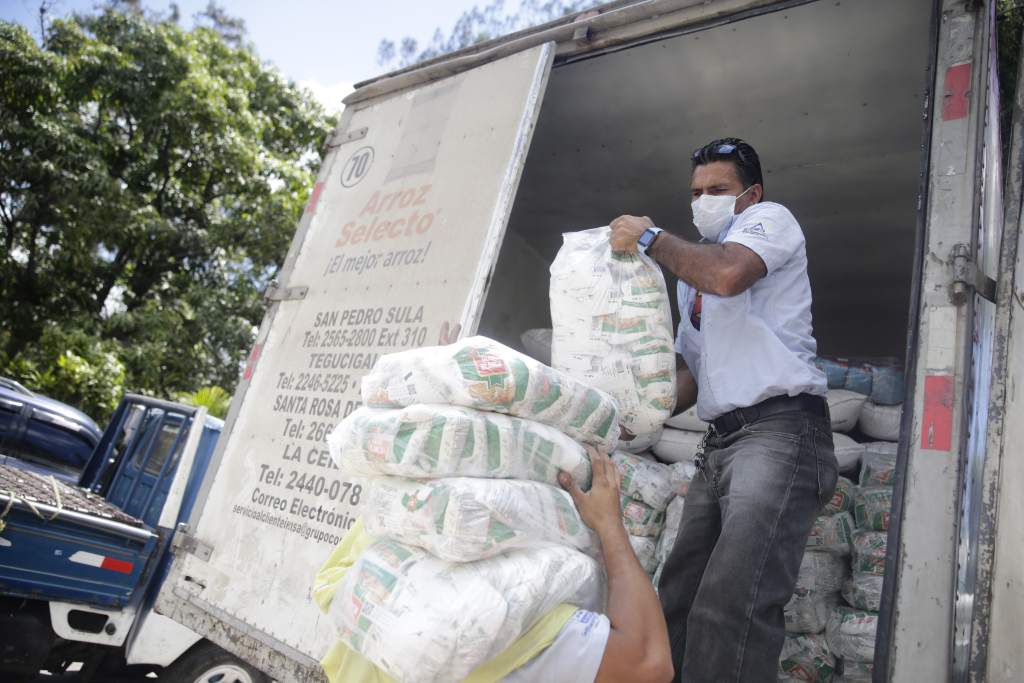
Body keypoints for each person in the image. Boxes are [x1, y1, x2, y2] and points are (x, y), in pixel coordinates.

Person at [608, 138, 838, 681]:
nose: (703, 201)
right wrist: (629, 415)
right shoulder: (692, 285)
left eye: (717, 189)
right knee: (680, 595)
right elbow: (693, 375)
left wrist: (650, 236)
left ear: (750, 195)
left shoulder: (769, 221)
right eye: (696, 192)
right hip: (722, 444)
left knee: (732, 602)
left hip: (779, 432)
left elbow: (728, 275)